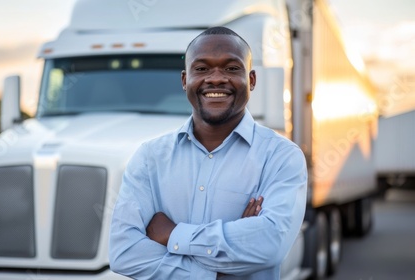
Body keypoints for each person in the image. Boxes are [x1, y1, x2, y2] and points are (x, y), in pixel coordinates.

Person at [109, 26, 307, 279]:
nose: (215, 78)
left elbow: (269, 246)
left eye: (231, 68)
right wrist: (217, 271)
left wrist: (171, 234)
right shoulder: (150, 158)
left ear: (252, 80)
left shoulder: (281, 157)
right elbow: (124, 252)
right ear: (184, 80)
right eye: (201, 68)